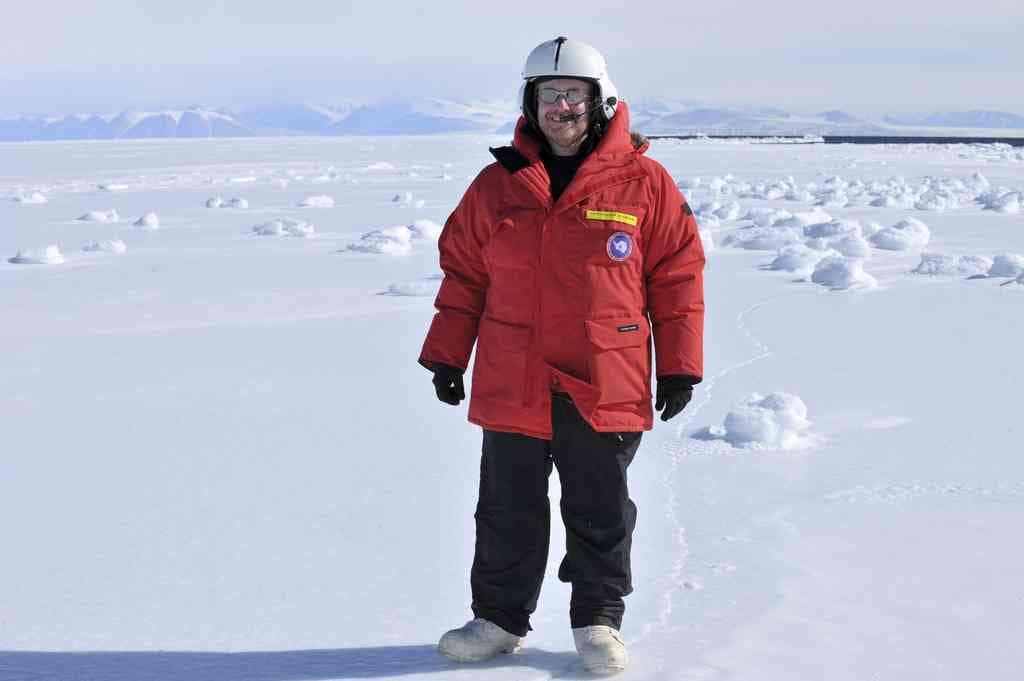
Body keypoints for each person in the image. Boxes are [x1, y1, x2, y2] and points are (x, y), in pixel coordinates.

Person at [418, 36, 705, 675]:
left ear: (600, 101)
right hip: (513, 372)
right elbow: (464, 276)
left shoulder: (645, 183)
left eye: (574, 95)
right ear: (531, 104)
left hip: (604, 372)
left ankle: (598, 622)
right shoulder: (496, 187)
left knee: (600, 508)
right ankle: (497, 620)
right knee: (505, 506)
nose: (562, 108)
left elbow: (678, 277)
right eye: (549, 96)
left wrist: (680, 364)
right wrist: (447, 356)